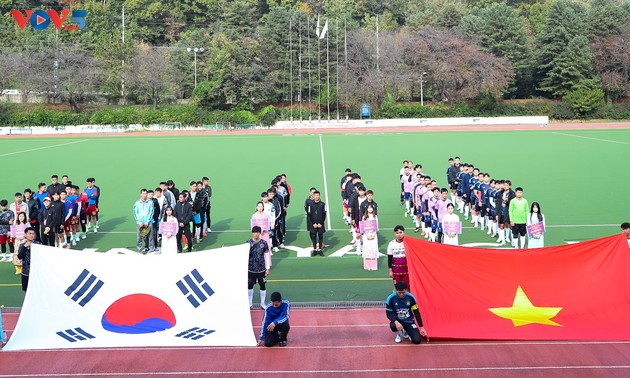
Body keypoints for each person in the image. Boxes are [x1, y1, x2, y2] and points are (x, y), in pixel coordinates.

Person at [248, 226, 271, 309]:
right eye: (254, 232)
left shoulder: (264, 243)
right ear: (252, 233)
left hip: (261, 269)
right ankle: (250, 303)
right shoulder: (248, 243)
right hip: (251, 269)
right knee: (250, 285)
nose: (256, 234)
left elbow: (266, 255)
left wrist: (267, 268)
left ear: (260, 233)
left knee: (262, 285)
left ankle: (262, 303)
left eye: (257, 232)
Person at [387, 225, 410, 290]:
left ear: (403, 233)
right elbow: (389, 259)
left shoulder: (407, 243)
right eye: (397, 233)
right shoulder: (391, 244)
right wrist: (390, 271)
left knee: (407, 286)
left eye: (400, 232)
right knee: (396, 286)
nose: (399, 235)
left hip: (406, 269)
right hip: (396, 269)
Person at [17, 227, 39, 292]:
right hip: (25, 272)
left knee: (36, 290)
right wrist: (25, 247)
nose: (32, 235)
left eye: (33, 234)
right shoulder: (22, 245)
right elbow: (19, 256)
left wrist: (30, 248)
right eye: (30, 233)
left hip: (36, 273)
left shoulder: (38, 244)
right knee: (26, 290)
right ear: (25, 234)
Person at [133, 189, 155, 254]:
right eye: (143, 193)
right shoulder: (137, 203)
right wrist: (139, 221)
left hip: (148, 222)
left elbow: (151, 212)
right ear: (141, 194)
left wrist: (147, 221)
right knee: (139, 238)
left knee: (150, 237)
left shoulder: (150, 202)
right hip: (140, 223)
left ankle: (151, 249)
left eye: (145, 193)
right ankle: (139, 250)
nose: (144, 195)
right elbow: (135, 212)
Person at [306, 190, 327, 257]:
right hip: (313, 224)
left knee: (320, 236)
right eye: (315, 195)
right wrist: (313, 223)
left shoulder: (323, 204)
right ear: (313, 196)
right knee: (313, 236)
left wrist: (321, 223)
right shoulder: (310, 204)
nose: (316, 196)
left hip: (320, 224)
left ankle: (320, 249)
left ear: (319, 196)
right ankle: (315, 250)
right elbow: (309, 214)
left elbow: (324, 214)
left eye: (317, 195)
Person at [361, 204, 379, 270]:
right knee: (367, 248)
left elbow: (376, 226)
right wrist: (367, 235)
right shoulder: (364, 217)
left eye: (371, 208)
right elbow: (363, 227)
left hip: (373, 234)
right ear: (366, 209)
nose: (370, 209)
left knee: (373, 248)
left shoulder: (375, 217)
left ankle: (374, 266)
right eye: (368, 208)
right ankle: (367, 266)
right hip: (366, 235)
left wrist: (374, 234)